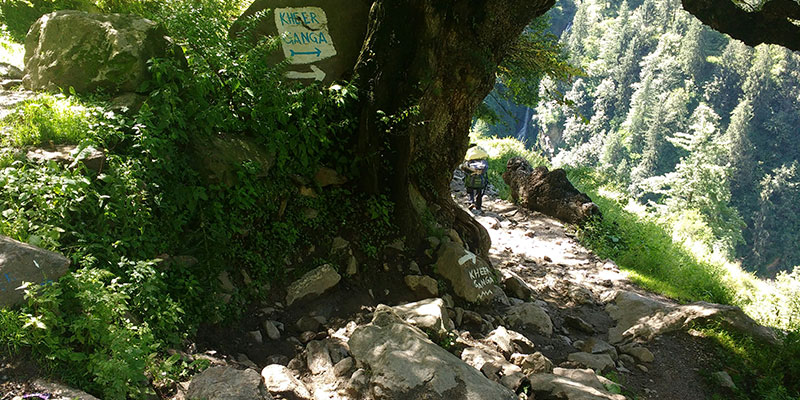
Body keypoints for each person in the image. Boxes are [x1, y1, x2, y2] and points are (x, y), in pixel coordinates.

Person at [460, 146, 489, 213]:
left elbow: (464, 169)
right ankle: (478, 206)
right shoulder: (483, 162)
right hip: (480, 182)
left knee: (470, 191)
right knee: (479, 193)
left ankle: (471, 202)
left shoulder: (468, 162)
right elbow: (485, 171)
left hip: (470, 181)